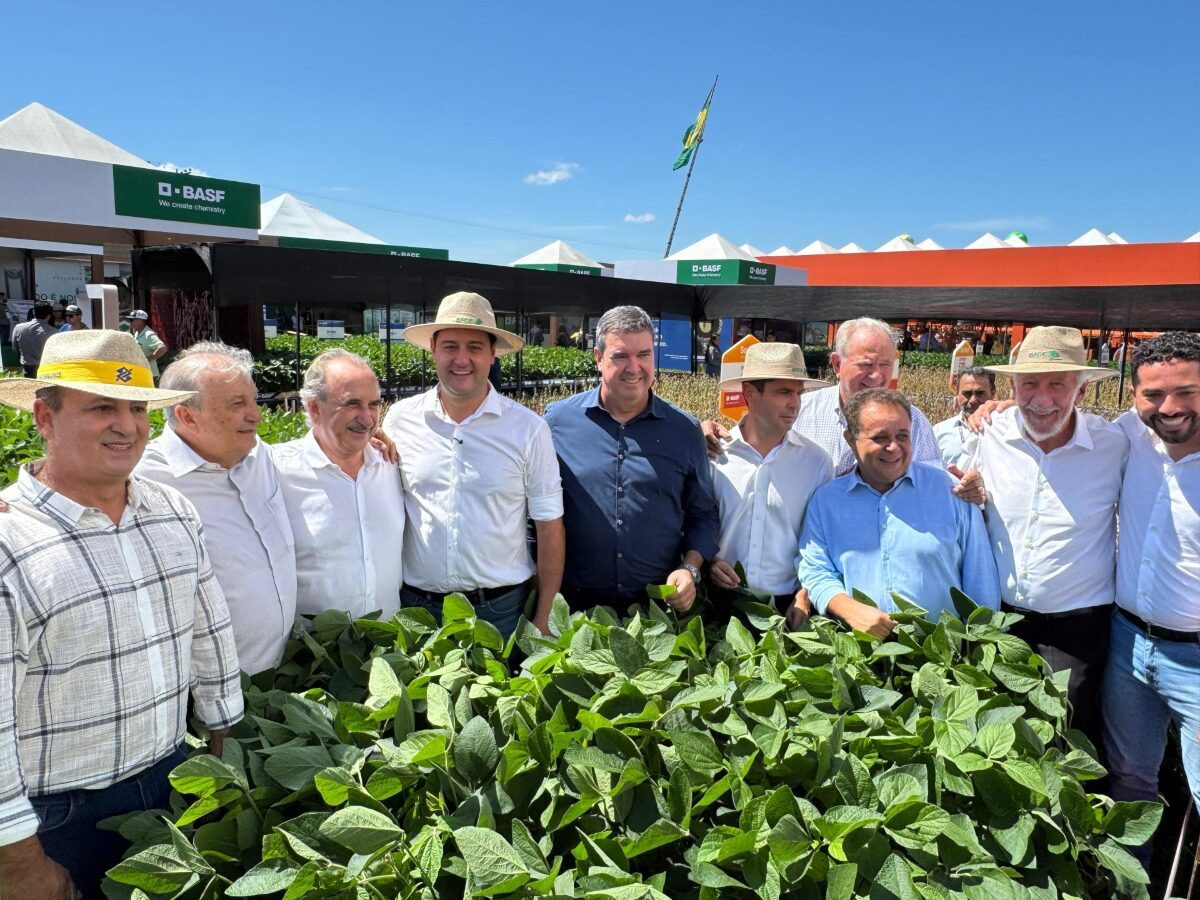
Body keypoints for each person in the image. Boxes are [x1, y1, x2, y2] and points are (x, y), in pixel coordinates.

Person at [0, 330, 241, 896]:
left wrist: (223, 746)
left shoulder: (172, 512)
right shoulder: (10, 544)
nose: (126, 425)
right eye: (100, 407)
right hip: (56, 818)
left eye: (136, 408)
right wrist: (17, 863)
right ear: (44, 417)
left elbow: (209, 635)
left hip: (171, 784)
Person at [959, 326, 1127, 746]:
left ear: (1083, 391)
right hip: (1000, 617)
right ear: (1012, 387)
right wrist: (971, 493)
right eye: (1029, 383)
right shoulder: (988, 432)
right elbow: (960, 492)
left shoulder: (1116, 445)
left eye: (1058, 384)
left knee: (1068, 734)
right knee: (995, 733)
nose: (1042, 398)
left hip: (1078, 626)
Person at [383, 292, 564, 637]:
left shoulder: (527, 429)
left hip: (499, 612)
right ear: (433, 350)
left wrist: (545, 618)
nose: (461, 359)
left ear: (492, 354)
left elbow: (549, 526)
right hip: (416, 609)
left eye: (475, 348)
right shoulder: (399, 420)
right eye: (450, 346)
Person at [545, 305, 720, 615]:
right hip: (575, 608)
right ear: (598, 358)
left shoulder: (684, 429)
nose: (634, 367)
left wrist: (690, 569)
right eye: (621, 356)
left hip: (657, 610)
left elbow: (703, 515)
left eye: (644, 355)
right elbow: (536, 512)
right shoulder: (558, 422)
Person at [135, 342, 297, 675]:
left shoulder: (260, 456)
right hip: (206, 695)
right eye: (238, 404)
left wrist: (372, 442)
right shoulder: (142, 480)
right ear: (186, 415)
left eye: (253, 399)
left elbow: (319, 457)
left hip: (283, 672)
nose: (256, 414)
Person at [798, 388, 1000, 637]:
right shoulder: (827, 501)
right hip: (859, 655)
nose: (893, 447)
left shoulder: (953, 492)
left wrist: (981, 642)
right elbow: (815, 568)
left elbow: (981, 579)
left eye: (902, 436)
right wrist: (848, 608)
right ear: (851, 439)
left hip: (943, 656)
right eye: (880, 437)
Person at [1102, 331, 1200, 812]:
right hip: (1128, 646)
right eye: (1154, 394)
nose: (1170, 407)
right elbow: (1063, 425)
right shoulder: (1128, 436)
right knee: (1129, 780)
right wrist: (996, 411)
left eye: (1186, 392)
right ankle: (1131, 886)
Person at [704, 317, 943, 477]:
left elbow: (935, 483)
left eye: (885, 364)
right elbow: (750, 449)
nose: (877, 376)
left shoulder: (913, 421)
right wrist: (707, 435)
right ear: (837, 364)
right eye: (866, 364)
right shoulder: (799, 412)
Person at [272, 349, 404, 622]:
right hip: (312, 653)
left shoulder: (390, 464)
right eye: (352, 404)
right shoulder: (275, 469)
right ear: (314, 408)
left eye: (374, 404)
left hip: (389, 647)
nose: (367, 419)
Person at [708, 343, 832, 625]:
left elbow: (822, 541)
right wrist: (710, 561)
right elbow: (693, 522)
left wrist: (805, 593)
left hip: (789, 609)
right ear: (750, 393)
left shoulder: (816, 463)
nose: (795, 403)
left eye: (799, 393)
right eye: (784, 392)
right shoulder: (714, 454)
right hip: (716, 605)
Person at [933, 367, 996, 465]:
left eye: (980, 393)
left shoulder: (1003, 428)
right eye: (967, 393)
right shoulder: (939, 431)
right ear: (957, 393)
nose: (973, 400)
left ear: (993, 393)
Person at [11, 301, 54, 377]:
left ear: (33, 312)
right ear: (49, 315)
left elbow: (15, 348)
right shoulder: (55, 332)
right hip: (47, 369)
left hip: (27, 369)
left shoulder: (18, 328)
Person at [124, 309, 168, 382]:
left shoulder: (149, 334)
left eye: (132, 320)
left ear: (141, 321)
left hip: (149, 376)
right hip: (140, 373)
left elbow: (162, 349)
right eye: (130, 320)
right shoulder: (137, 333)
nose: (131, 323)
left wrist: (146, 360)